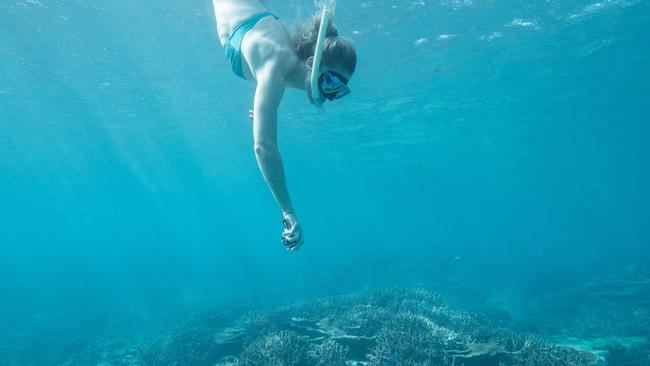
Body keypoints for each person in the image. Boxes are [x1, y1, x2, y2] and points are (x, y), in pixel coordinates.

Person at [211, 0, 357, 252]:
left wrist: (263, 112)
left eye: (340, 90)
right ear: (312, 63)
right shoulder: (275, 66)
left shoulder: (288, 69)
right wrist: (288, 212)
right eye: (331, 81)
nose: (330, 94)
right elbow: (263, 148)